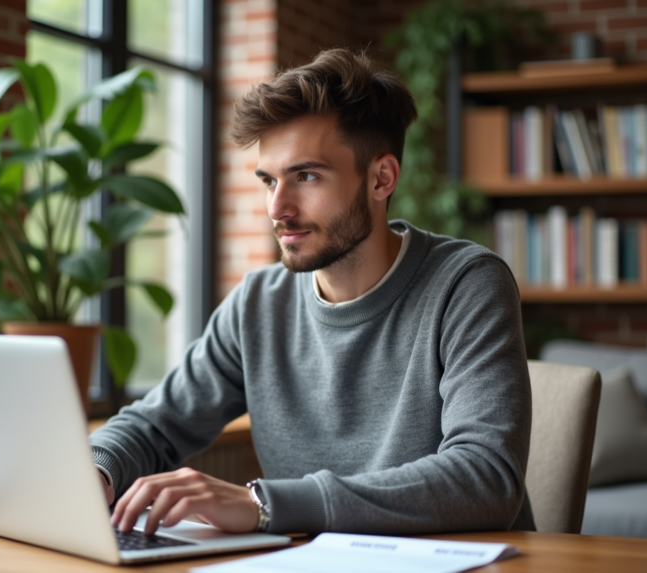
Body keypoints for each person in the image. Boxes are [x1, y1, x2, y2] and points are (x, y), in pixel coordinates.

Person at [91, 48, 534, 536]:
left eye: (306, 176)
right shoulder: (259, 303)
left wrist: (264, 505)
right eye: (268, 181)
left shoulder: (466, 284)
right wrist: (95, 471)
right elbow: (155, 425)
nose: (278, 208)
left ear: (381, 179)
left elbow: (486, 478)